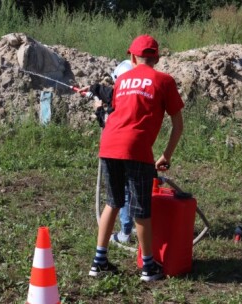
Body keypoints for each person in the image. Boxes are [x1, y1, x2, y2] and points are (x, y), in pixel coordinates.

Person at [87, 34, 184, 282]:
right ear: (157, 58)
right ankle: (148, 267)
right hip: (136, 149)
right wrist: (166, 155)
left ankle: (98, 262)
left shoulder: (122, 81)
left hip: (109, 144)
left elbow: (117, 111)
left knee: (113, 201)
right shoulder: (165, 81)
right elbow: (177, 125)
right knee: (141, 208)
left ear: (131, 57)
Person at [84, 60, 136, 245]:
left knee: (123, 192)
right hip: (135, 148)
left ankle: (125, 232)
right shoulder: (134, 97)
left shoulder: (121, 97)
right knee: (134, 189)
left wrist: (98, 109)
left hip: (119, 151)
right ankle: (135, 224)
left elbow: (109, 123)